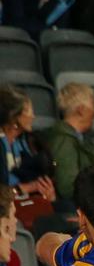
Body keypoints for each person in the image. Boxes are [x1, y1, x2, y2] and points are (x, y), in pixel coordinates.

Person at [0, 86, 56, 215]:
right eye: (29, 111)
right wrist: (26, 188)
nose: (33, 116)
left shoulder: (24, 142)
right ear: (15, 116)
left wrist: (46, 191)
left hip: (22, 204)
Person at [43, 83, 94, 214]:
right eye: (93, 106)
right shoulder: (64, 140)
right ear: (81, 110)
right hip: (75, 212)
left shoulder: (78, 138)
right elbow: (68, 186)